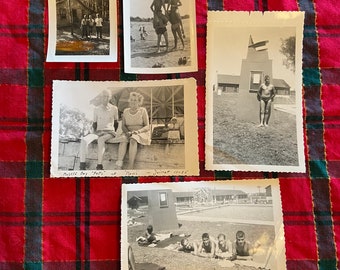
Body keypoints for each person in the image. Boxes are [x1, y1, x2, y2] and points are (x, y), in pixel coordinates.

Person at [79, 90, 118, 170]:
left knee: (101, 140)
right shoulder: (96, 109)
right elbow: (95, 124)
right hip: (98, 131)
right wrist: (94, 134)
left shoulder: (114, 108)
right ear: (101, 97)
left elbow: (116, 123)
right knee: (84, 140)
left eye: (107, 96)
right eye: (104, 96)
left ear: (110, 97)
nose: (105, 98)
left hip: (109, 132)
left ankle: (99, 165)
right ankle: (82, 165)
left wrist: (113, 133)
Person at [116, 92, 151, 169]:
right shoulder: (125, 111)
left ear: (139, 102)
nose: (133, 101)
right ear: (129, 101)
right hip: (128, 132)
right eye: (131, 100)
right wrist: (127, 132)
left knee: (133, 139)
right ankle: (119, 164)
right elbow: (123, 126)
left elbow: (147, 126)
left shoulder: (142, 110)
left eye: (135, 100)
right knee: (123, 140)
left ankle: (130, 166)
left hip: (140, 132)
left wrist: (138, 132)